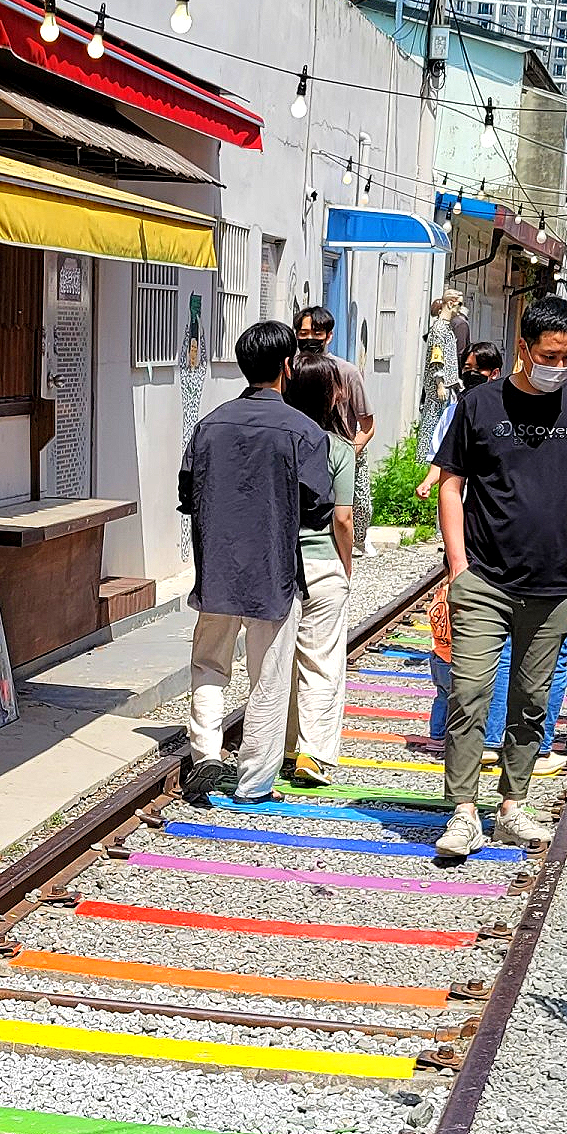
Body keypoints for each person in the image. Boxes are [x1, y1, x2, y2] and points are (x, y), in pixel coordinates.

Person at [430, 294, 567, 859]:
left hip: (555, 582)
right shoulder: (479, 404)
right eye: (551, 354)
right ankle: (463, 811)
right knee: (469, 694)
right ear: (524, 348)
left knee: (531, 699)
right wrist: (458, 565)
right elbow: (451, 483)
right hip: (485, 577)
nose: (560, 366)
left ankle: (513, 805)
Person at [176, 320, 335, 807]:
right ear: (288, 367)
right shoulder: (304, 431)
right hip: (274, 571)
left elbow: (186, 494)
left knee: (208, 661)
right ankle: (252, 780)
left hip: (217, 567)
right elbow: (316, 508)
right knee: (268, 673)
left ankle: (205, 751)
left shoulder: (210, 424)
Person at [282, 353, 360, 787]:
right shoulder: (339, 449)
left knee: (280, 662)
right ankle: (312, 753)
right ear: (330, 394)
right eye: (338, 385)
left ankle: (279, 745)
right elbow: (343, 519)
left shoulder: (282, 439)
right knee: (322, 661)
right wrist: (344, 564)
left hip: (279, 565)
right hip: (322, 563)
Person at [294, 306, 374, 555]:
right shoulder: (289, 369)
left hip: (341, 450)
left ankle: (351, 547)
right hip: (299, 450)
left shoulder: (347, 372)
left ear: (329, 336)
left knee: (355, 508)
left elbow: (367, 425)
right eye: (303, 332)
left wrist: (350, 452)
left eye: (317, 333)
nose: (309, 339)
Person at [416, 344, 502, 502]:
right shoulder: (452, 412)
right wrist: (427, 482)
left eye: (479, 368)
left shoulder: (503, 414)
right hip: (454, 500)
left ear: (494, 373)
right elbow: (443, 457)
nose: (472, 373)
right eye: (467, 368)